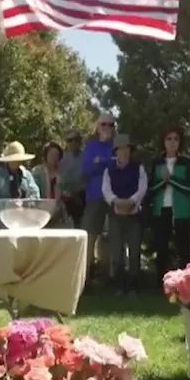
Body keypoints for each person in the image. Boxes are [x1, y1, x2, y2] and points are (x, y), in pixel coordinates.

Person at [146, 127, 190, 276]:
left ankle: (187, 281)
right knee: (161, 247)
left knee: (183, 248)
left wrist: (171, 179)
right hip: (161, 210)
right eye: (169, 139)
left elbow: (189, 188)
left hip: (181, 211)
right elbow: (151, 189)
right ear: (163, 142)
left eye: (176, 139)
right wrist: (163, 182)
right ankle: (161, 283)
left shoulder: (185, 162)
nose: (172, 142)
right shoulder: (157, 162)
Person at [101, 135, 147, 295]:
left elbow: (142, 187)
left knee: (134, 251)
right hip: (115, 214)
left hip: (134, 214)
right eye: (121, 149)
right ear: (116, 151)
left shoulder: (138, 167)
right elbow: (106, 190)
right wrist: (116, 202)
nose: (124, 152)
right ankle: (118, 285)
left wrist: (132, 201)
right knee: (116, 251)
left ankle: (134, 285)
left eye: (127, 148)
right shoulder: (109, 169)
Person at [80, 114, 116, 272]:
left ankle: (111, 275)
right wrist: (106, 162)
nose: (106, 128)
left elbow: (118, 167)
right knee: (90, 237)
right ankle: (84, 278)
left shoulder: (117, 145)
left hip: (115, 196)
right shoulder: (90, 146)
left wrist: (99, 162)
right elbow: (86, 170)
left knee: (113, 238)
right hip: (94, 196)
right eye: (103, 124)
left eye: (110, 125)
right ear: (97, 127)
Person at [31, 142, 68, 227]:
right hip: (40, 210)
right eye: (51, 154)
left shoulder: (62, 174)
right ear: (45, 156)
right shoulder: (37, 172)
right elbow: (34, 192)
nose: (54, 157)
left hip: (58, 212)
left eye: (56, 155)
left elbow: (65, 193)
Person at [58, 129, 86, 229]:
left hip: (85, 197)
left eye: (76, 139)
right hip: (68, 199)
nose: (73, 142)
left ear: (80, 141)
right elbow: (61, 183)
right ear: (66, 142)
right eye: (70, 140)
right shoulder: (62, 160)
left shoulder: (87, 156)